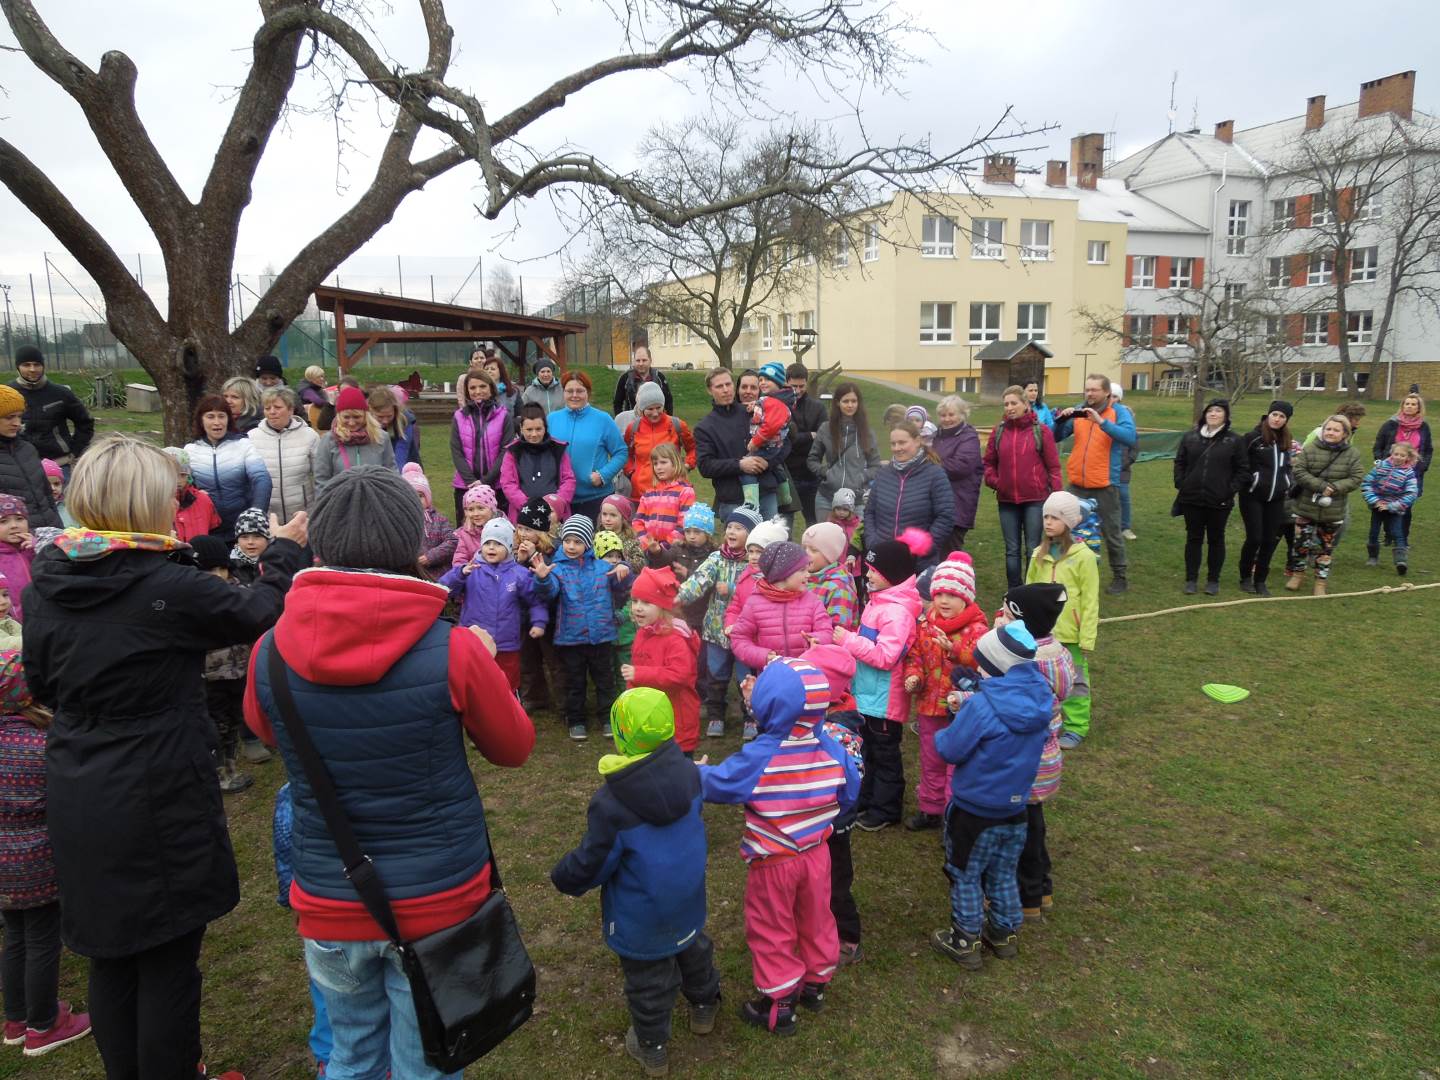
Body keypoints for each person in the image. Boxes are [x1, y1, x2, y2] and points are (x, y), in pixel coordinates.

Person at [23, 435, 306, 1080]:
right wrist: (285, 549)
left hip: (78, 780)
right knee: (169, 955)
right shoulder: (163, 585)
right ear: (145, 502)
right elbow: (257, 609)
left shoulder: (49, 580)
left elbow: (41, 683)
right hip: (157, 783)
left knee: (112, 952)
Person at [243, 465, 532, 1080]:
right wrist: (485, 665)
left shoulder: (269, 651)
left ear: (321, 541)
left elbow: (270, 732)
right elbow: (514, 748)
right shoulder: (453, 648)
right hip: (439, 898)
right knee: (425, 1063)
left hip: (330, 894)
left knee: (351, 1054)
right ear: (410, 539)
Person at [551, 687, 718, 1075]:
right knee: (694, 950)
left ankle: (652, 1046)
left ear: (622, 733)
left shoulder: (612, 803)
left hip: (641, 916)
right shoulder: (691, 775)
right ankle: (705, 1005)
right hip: (687, 897)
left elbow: (595, 861)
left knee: (649, 983)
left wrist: (564, 877)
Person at [697, 658, 859, 1036]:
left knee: (772, 926)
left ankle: (780, 1002)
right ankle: (816, 983)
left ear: (768, 704)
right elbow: (850, 791)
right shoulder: (833, 747)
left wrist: (693, 772)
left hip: (774, 860)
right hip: (817, 853)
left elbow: (720, 783)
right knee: (817, 917)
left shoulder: (760, 755)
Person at [930, 623, 1053, 971]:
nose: (979, 670)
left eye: (982, 664)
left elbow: (950, 749)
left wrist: (955, 719)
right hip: (1016, 809)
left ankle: (965, 939)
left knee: (965, 874)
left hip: (974, 811)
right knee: (1002, 872)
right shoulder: (1040, 699)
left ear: (996, 665)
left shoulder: (982, 707)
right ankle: (1003, 933)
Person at [0, 650, 94, 1057]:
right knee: (42, 939)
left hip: (3, 866)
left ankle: (16, 1018)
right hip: (36, 862)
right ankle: (43, 1024)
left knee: (15, 936)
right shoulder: (42, 743)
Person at [995, 583, 1079, 919]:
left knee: (1022, 832)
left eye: (1005, 614)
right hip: (1047, 756)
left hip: (1024, 759)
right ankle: (1042, 888)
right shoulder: (1059, 655)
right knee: (1035, 824)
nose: (998, 618)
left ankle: (1026, 896)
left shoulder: (1025, 660)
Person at [835, 534, 926, 831]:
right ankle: (868, 797)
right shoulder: (880, 601)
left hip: (885, 700)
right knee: (869, 750)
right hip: (869, 694)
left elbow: (886, 657)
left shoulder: (897, 612)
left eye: (874, 571)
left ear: (892, 574)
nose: (868, 575)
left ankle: (886, 808)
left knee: (884, 755)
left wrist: (849, 641)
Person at [902, 552, 988, 832]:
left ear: (967, 597)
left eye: (952, 595)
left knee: (957, 763)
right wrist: (914, 676)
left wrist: (955, 651)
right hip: (929, 705)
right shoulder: (926, 624)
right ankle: (931, 808)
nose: (944, 601)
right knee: (931, 758)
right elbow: (915, 655)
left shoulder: (977, 629)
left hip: (962, 710)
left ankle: (954, 816)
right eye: (939, 594)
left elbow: (982, 663)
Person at [532, 515, 629, 741]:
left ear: (587, 543)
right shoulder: (557, 569)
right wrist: (543, 579)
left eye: (577, 542)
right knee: (574, 682)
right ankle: (576, 720)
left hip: (601, 636)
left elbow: (622, 584)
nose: (571, 546)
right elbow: (548, 593)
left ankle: (608, 718)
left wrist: (624, 568)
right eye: (567, 541)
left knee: (605, 681)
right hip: (571, 638)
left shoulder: (602, 566)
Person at [799, 643, 866, 968]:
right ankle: (814, 927)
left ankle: (848, 937)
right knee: (814, 880)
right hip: (814, 819)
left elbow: (850, 782)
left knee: (836, 882)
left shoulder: (839, 731)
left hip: (835, 822)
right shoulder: (818, 714)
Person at [675, 505, 762, 740]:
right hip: (715, 630)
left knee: (747, 677)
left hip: (747, 633)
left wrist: (733, 589)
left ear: (752, 535)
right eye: (729, 527)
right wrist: (680, 596)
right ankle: (716, 715)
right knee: (716, 675)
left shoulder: (756, 563)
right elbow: (699, 580)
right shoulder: (716, 558)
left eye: (739, 528)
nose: (731, 531)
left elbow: (761, 590)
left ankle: (750, 717)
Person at [1025, 491, 1100, 749]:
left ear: (1068, 522)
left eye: (1055, 517)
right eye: (1046, 516)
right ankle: (1045, 722)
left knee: (1075, 682)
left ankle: (1076, 726)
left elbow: (1090, 600)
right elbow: (1028, 592)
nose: (1048, 522)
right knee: (1042, 680)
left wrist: (1087, 637)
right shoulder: (1038, 554)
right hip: (1042, 634)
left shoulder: (1084, 557)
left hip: (1071, 635)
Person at [439, 516, 547, 691]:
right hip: (474, 640)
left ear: (508, 547)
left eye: (498, 544)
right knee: (474, 682)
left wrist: (539, 622)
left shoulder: (519, 574)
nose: (491, 547)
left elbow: (535, 600)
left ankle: (509, 702)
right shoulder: (471, 569)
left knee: (506, 683)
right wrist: (460, 574)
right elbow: (443, 589)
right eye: (487, 543)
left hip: (506, 643)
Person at [1052, 375, 1137, 594]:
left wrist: (1102, 422)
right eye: (1087, 389)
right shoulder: (1080, 411)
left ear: (1107, 392)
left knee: (1112, 532)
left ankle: (1120, 576)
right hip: (1077, 484)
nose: (1089, 394)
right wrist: (1061, 420)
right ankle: (1068, 573)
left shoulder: (1119, 412)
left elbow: (1130, 437)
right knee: (1068, 530)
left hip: (1105, 484)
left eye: (1094, 390)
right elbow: (1055, 437)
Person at [270, 783, 333, 1074]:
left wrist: (292, 899)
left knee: (335, 1005)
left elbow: (287, 841)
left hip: (326, 915)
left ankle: (331, 1064)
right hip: (404, 908)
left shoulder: (298, 786)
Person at [190, 534, 256, 794]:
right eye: (208, 570)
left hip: (239, 670)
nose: (216, 575)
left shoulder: (238, 593)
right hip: (210, 677)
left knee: (234, 720)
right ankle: (219, 775)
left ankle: (230, 768)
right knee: (216, 725)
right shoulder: (191, 599)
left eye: (221, 568)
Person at [985, 385, 1062, 588]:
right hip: (1006, 500)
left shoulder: (1041, 431)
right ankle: (1014, 591)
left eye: (1014, 403)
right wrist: (996, 482)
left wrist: (1057, 497)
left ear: (1025, 404)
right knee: (1012, 550)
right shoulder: (998, 431)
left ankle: (1031, 589)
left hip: (1035, 500)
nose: (1009, 408)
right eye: (1006, 404)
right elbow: (988, 464)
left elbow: (1054, 467)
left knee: (1033, 548)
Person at [621, 567, 702, 756]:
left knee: (677, 769)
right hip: (650, 718)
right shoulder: (643, 633)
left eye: (646, 602)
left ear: (663, 606)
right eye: (635, 601)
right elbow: (637, 672)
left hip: (676, 723)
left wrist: (639, 674)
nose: (638, 607)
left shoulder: (675, 639)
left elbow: (679, 676)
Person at [1172, 398, 1248, 595]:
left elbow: (1243, 470)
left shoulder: (1234, 440)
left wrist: (1229, 490)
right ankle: (1191, 579)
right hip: (1191, 498)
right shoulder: (1190, 437)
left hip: (1219, 500)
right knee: (1193, 538)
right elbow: (1180, 462)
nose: (1213, 414)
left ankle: (1213, 580)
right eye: (1210, 411)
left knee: (1216, 539)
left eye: (1218, 411)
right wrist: (1181, 483)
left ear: (1226, 416)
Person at [1287, 415, 1366, 596]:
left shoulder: (1352, 454)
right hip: (1306, 506)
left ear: (1345, 434)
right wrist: (1321, 486)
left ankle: (1320, 581)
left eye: (1336, 430)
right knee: (1300, 544)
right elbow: (1299, 470)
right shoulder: (1310, 449)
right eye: (1328, 429)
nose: (1331, 432)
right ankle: (1297, 575)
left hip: (1333, 510)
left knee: (1325, 548)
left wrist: (1335, 488)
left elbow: (1356, 477)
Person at [863, 421, 955, 571]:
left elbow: (946, 516)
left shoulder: (935, 474)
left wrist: (924, 547)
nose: (896, 448)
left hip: (918, 564)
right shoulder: (883, 474)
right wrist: (873, 542)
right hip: (882, 560)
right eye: (893, 444)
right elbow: (869, 512)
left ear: (917, 441)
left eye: (902, 442)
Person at [729, 541, 834, 674]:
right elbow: (739, 639)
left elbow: (826, 631)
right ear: (783, 573)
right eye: (802, 570)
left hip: (806, 676)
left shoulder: (812, 601)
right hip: (772, 676)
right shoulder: (755, 603)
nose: (808, 575)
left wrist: (817, 640)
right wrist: (763, 656)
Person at [695, 368, 778, 521]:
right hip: (733, 499)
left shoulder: (753, 412)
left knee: (771, 536)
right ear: (710, 390)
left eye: (728, 384)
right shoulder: (705, 427)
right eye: (719, 386)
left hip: (765, 493)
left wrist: (768, 461)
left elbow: (782, 443)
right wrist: (739, 465)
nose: (726, 390)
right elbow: (705, 466)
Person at [186, 393, 273, 539]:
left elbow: (262, 479)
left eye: (221, 416)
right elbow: (183, 487)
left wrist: (256, 513)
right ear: (201, 420)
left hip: (242, 526)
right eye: (210, 417)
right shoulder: (190, 450)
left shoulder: (243, 445)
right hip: (206, 527)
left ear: (228, 419)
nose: (217, 422)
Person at [548, 371, 626, 522]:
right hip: (561, 498)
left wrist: (603, 475)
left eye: (580, 391)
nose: (574, 395)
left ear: (588, 393)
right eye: (569, 391)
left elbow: (621, 452)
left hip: (596, 498)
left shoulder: (603, 419)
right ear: (563, 392)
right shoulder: (552, 419)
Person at [1238, 401, 1296, 597]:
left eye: (1282, 416)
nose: (1277, 419)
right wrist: (1251, 480)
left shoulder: (1286, 440)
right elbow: (1240, 463)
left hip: (1276, 498)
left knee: (1269, 540)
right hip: (1252, 496)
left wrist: (1287, 482)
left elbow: (1287, 465)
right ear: (1268, 415)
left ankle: (1260, 580)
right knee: (1255, 537)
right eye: (1274, 414)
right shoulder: (1253, 437)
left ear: (1286, 420)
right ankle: (1245, 577)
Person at [10, 345, 93, 474]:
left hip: (59, 465)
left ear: (43, 366)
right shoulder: (7, 394)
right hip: (19, 465)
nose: (32, 369)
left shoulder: (61, 393)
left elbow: (85, 423)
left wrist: (75, 451)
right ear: (18, 367)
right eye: (26, 365)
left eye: (37, 364)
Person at [248, 385, 319, 521]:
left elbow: (319, 475)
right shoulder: (251, 437)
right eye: (267, 408)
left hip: (303, 514)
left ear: (291, 409)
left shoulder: (310, 436)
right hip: (267, 516)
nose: (272, 412)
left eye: (277, 407)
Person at [450, 370, 513, 518]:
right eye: (472, 388)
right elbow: (456, 451)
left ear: (491, 388)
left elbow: (506, 451)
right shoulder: (459, 417)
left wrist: (485, 481)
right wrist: (471, 482)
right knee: (468, 529)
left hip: (496, 486)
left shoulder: (503, 416)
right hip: (465, 486)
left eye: (482, 386)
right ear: (467, 391)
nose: (478, 391)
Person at [499, 402, 576, 522]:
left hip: (554, 515)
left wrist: (556, 504)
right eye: (529, 429)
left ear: (545, 427)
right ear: (521, 428)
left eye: (538, 429)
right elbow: (508, 483)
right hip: (523, 515)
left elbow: (568, 480)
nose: (534, 434)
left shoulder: (558, 449)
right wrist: (527, 506)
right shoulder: (513, 452)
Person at [311, 385, 396, 492]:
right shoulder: (328, 441)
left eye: (357, 417)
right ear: (339, 416)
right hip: (340, 499)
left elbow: (392, 473)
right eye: (346, 417)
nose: (351, 423)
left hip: (376, 498)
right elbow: (321, 480)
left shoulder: (381, 438)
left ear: (365, 415)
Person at [623, 381, 696, 501]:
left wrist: (687, 465)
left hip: (674, 492)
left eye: (658, 407)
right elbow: (625, 454)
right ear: (641, 409)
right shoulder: (633, 428)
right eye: (650, 409)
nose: (655, 413)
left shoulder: (677, 425)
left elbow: (693, 448)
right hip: (642, 494)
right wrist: (631, 473)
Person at [0, 385, 60, 531]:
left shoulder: (28, 449)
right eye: (9, 417)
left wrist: (58, 527)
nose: (17, 423)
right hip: (15, 539)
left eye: (19, 416)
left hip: (50, 532)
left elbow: (47, 494)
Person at [1371, 393, 1431, 540]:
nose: (1409, 406)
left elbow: (1428, 449)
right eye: (1407, 403)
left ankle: (1402, 539)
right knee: (1388, 503)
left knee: (1406, 506)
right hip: (1390, 472)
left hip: (1412, 473)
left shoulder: (1424, 427)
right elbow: (1378, 445)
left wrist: (1422, 467)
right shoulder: (1391, 424)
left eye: (1413, 404)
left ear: (1418, 408)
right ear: (1402, 406)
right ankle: (1389, 534)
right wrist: (1381, 463)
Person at [742, 361, 796, 511]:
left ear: (778, 382)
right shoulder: (775, 399)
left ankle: (751, 502)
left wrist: (755, 442)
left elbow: (770, 425)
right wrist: (755, 405)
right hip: (773, 446)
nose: (763, 383)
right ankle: (785, 495)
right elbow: (765, 406)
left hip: (767, 444)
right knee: (777, 468)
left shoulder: (776, 402)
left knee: (747, 468)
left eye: (768, 379)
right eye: (760, 379)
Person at [932, 395, 983, 553]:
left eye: (951, 414)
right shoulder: (937, 436)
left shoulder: (969, 437)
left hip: (958, 504)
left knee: (949, 551)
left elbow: (961, 467)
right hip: (937, 503)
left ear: (962, 414)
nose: (947, 419)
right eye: (943, 415)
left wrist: (929, 465)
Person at [1362, 443, 1420, 575]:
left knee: (1397, 533)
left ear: (1408, 457)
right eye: (1396, 454)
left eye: (1402, 455)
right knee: (1374, 532)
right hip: (1377, 506)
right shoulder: (1381, 466)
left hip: (1395, 508)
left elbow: (1411, 494)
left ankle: (1401, 561)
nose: (1398, 457)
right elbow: (1367, 483)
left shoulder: (1409, 473)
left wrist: (1391, 506)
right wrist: (1375, 501)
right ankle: (1373, 557)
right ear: (1391, 454)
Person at [784, 364, 827, 526]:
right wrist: (810, 435)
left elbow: (823, 438)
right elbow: (785, 439)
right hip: (787, 476)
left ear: (806, 383)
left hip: (812, 475)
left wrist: (796, 438)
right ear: (786, 382)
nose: (797, 390)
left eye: (801, 386)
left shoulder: (818, 408)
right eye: (793, 386)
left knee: (815, 524)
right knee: (784, 525)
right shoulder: (781, 406)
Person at [633, 443, 696, 553]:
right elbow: (637, 522)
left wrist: (664, 547)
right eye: (655, 463)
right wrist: (647, 544)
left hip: (674, 551)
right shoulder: (649, 493)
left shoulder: (686, 491)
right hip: (648, 550)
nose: (658, 467)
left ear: (675, 463)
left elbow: (685, 524)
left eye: (663, 462)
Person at [402, 463, 457, 579]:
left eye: (420, 495)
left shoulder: (439, 520)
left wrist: (430, 557)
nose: (416, 500)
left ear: (427, 498)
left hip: (437, 575)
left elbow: (453, 541)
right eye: (411, 495)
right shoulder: (400, 521)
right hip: (410, 575)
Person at [802, 522, 859, 630]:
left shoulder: (839, 588)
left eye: (813, 550)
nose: (806, 553)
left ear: (829, 556)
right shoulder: (804, 579)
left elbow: (838, 629)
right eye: (804, 548)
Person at [164, 446, 222, 542]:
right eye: (172, 474)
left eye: (183, 475)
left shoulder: (203, 500)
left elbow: (214, 533)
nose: (178, 480)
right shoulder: (151, 503)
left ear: (189, 475)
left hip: (199, 551)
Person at [613, 341, 673, 415]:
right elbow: (617, 403)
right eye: (638, 360)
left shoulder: (659, 377)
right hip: (632, 420)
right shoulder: (625, 378)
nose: (641, 364)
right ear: (634, 361)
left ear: (650, 360)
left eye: (644, 360)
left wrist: (668, 420)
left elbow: (668, 402)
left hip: (655, 418)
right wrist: (621, 419)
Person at [370, 385, 420, 469]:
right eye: (380, 417)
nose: (385, 421)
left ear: (395, 411)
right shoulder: (364, 423)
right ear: (371, 411)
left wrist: (395, 475)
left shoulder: (405, 422)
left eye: (389, 416)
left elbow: (401, 453)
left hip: (405, 469)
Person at [451, 482, 500, 568]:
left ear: (492, 509)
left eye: (480, 508)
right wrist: (464, 569)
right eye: (471, 509)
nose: (475, 514)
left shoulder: (504, 530)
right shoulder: (464, 535)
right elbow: (458, 562)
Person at [0, 497, 33, 622]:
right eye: (3, 521)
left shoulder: (35, 548)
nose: (14, 526)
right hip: (11, 623)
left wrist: (39, 548)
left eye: (20, 519)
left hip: (40, 618)